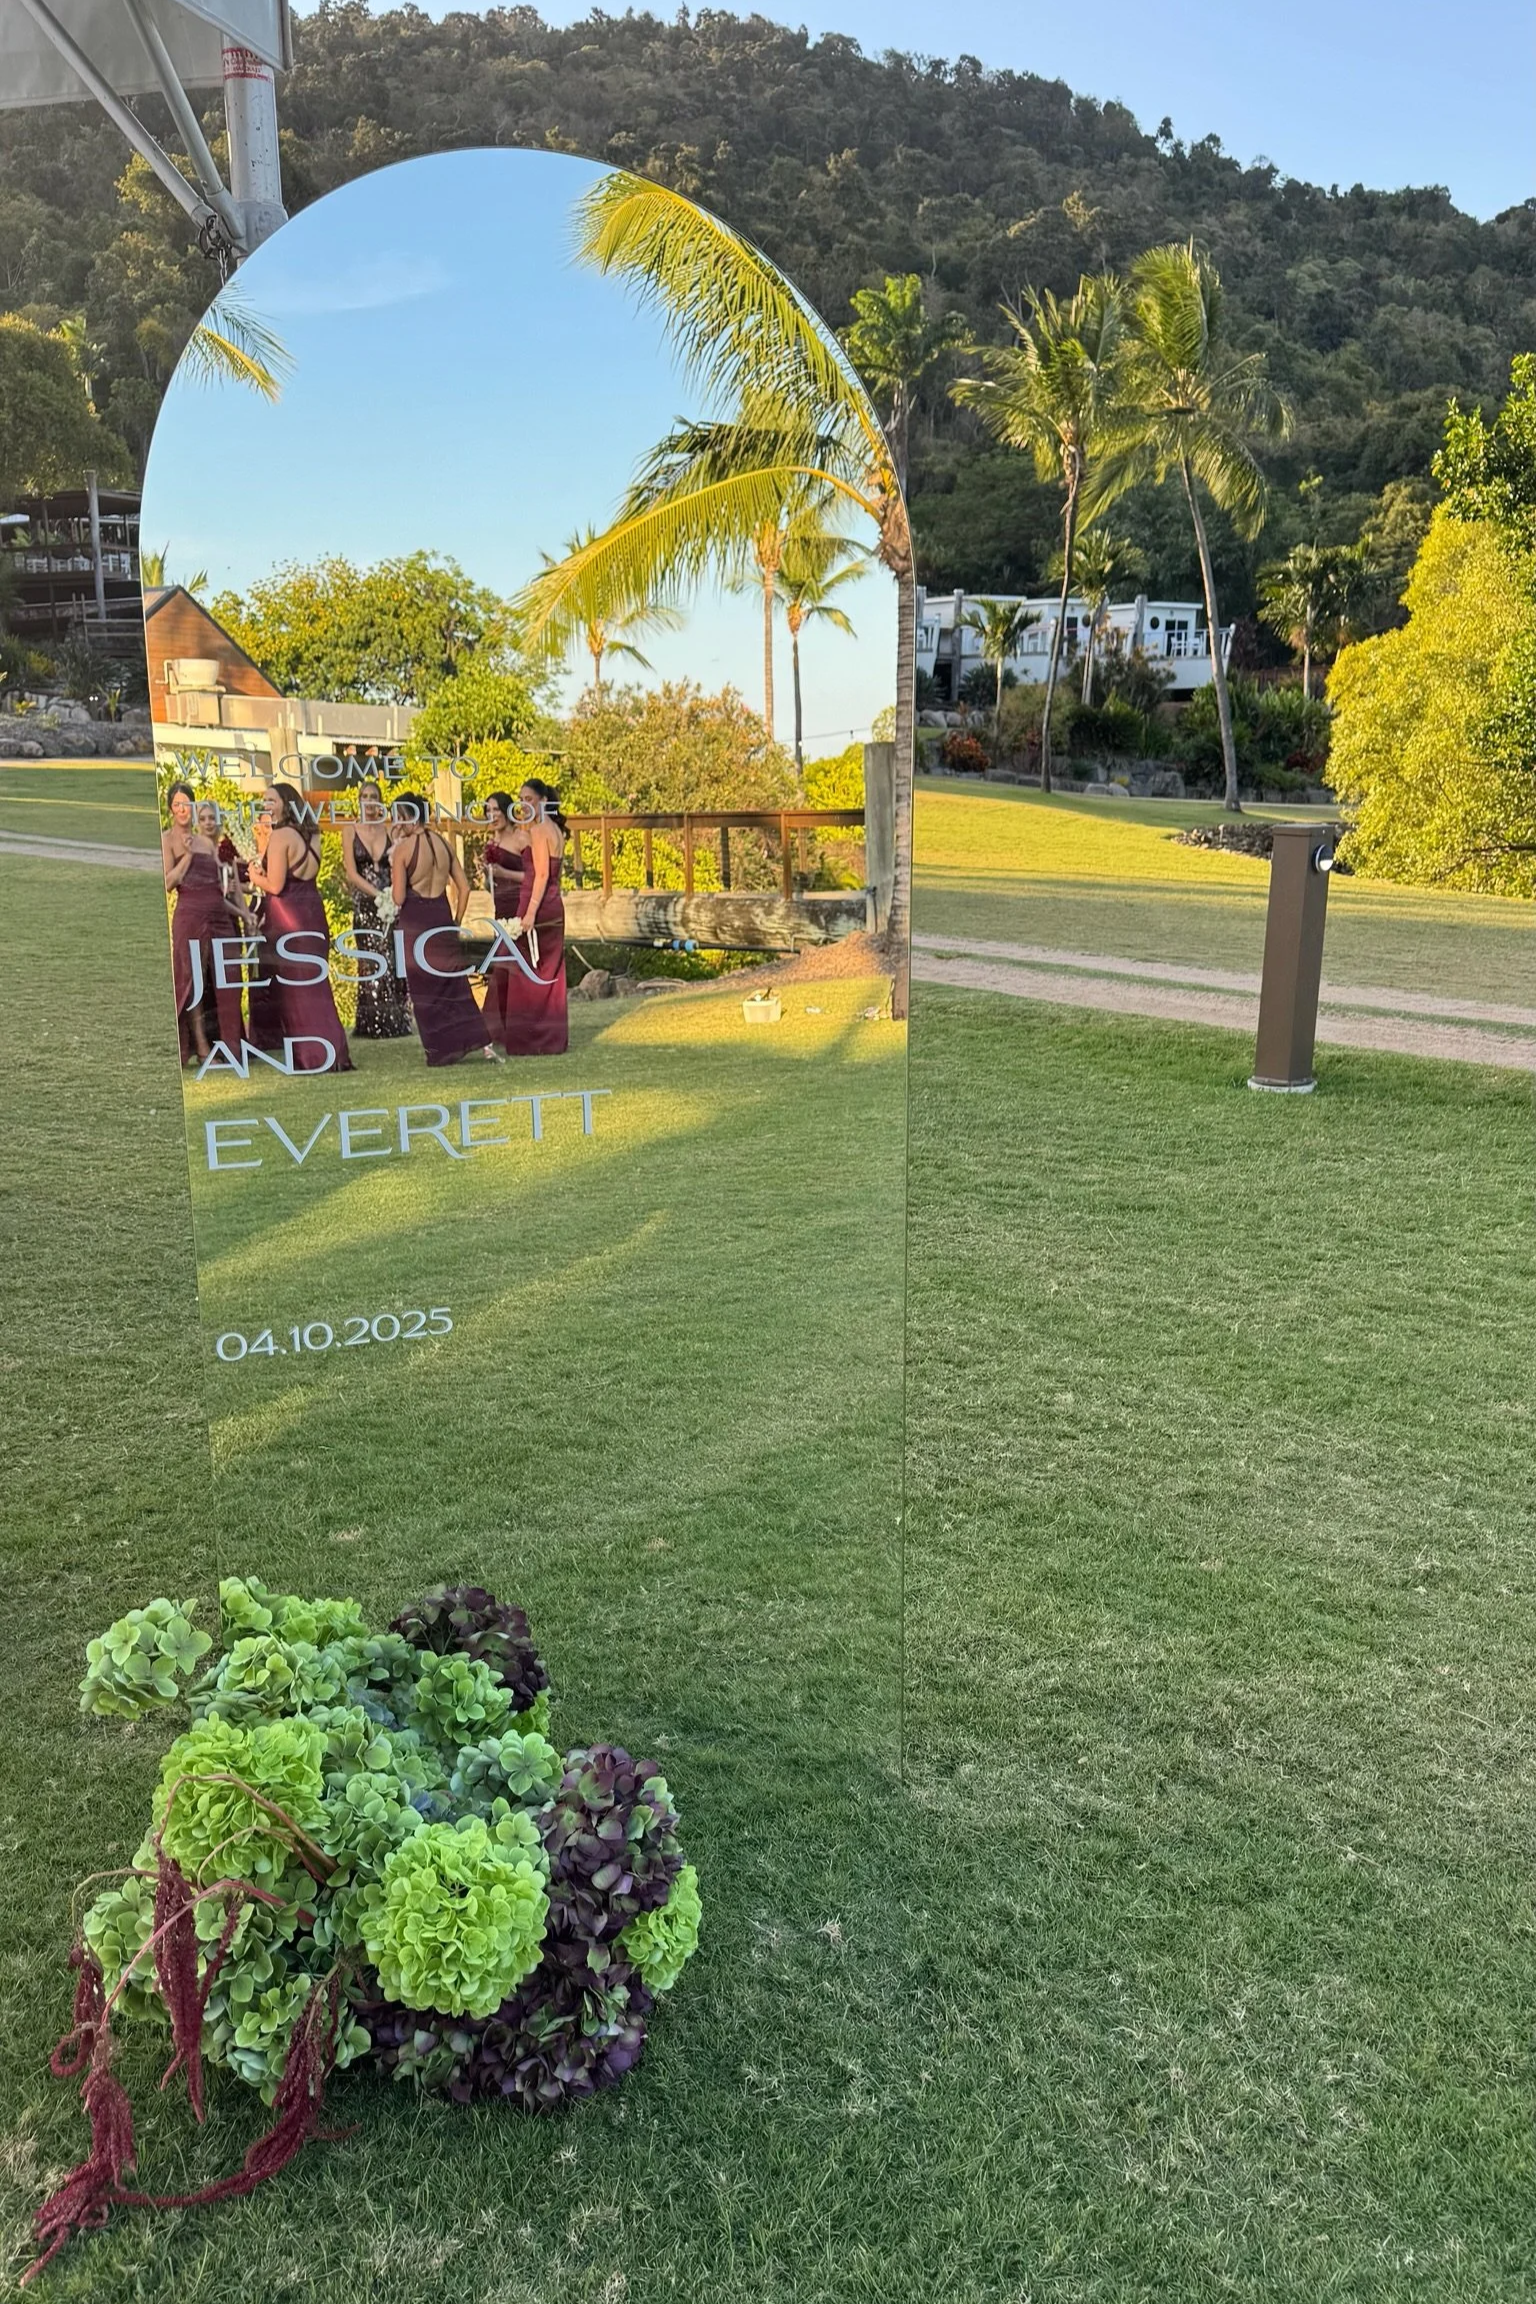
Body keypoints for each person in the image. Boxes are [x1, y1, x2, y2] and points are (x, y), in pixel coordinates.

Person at [247, 780, 353, 1073]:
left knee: (296, 989)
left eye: (271, 800)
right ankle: (333, 1052)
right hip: (312, 912)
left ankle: (312, 1057)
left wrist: (255, 877)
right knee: (317, 984)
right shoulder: (313, 834)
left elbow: (276, 885)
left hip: (287, 916)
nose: (266, 805)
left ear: (286, 803)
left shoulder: (281, 837)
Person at [389, 793, 490, 1066]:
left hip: (416, 920)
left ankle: (438, 1050)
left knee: (424, 986)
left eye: (398, 815)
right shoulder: (444, 844)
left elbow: (398, 898)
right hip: (442, 917)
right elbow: (465, 887)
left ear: (408, 817)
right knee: (451, 983)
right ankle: (466, 1040)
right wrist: (456, 920)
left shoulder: (403, 849)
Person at [162, 782, 245, 1066]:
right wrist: (186, 856)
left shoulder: (208, 842)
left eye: (188, 804)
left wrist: (244, 912)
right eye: (178, 804)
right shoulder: (167, 839)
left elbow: (219, 890)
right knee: (192, 982)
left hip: (219, 917)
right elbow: (168, 883)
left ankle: (233, 1047)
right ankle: (201, 1047)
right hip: (190, 916)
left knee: (228, 979)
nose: (183, 810)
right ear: (172, 809)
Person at [490, 777, 569, 1057]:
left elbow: (543, 874)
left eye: (529, 800)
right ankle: (549, 1038)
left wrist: (530, 912)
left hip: (539, 905)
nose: (524, 805)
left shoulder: (538, 831)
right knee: (549, 973)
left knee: (527, 972)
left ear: (543, 801)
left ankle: (531, 1040)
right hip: (554, 905)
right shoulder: (556, 830)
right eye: (521, 800)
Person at [340, 778, 411, 1039]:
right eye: (365, 797)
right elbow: (350, 871)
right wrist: (377, 895)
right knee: (370, 958)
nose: (370, 802)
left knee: (391, 956)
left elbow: (397, 864)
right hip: (366, 902)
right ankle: (372, 1022)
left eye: (374, 797)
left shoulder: (389, 830)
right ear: (359, 800)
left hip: (390, 899)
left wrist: (393, 894)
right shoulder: (350, 830)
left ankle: (394, 1019)